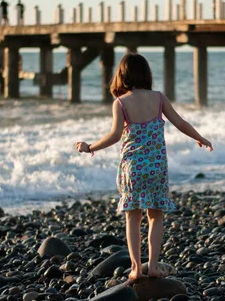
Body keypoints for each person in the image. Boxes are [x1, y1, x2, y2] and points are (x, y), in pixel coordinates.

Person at [75, 53, 213, 280]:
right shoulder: (158, 98)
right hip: (157, 167)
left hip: (133, 168)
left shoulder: (120, 103)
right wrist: (200, 137)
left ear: (122, 75)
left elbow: (114, 135)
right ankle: (154, 266)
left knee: (133, 217)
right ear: (146, 74)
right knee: (155, 216)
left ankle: (137, 268)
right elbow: (180, 122)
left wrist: (90, 147)